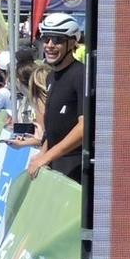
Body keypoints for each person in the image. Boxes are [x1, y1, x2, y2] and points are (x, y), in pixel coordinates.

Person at [17, 13, 86, 181]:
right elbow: (54, 128)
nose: (49, 45)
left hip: (75, 165)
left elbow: (84, 128)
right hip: (56, 162)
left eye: (57, 40)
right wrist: (43, 153)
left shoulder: (81, 75)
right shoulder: (51, 77)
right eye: (46, 38)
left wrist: (46, 157)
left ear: (72, 43)